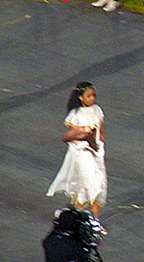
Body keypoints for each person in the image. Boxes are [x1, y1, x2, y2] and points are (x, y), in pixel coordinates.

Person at [46, 82, 108, 222]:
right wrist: (85, 137)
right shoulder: (75, 114)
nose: (92, 99)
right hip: (82, 154)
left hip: (96, 152)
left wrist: (100, 143)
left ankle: (94, 221)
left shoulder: (97, 110)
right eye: (89, 96)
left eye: (94, 95)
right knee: (89, 186)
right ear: (80, 97)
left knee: (99, 184)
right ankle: (80, 219)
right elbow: (72, 136)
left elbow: (102, 130)